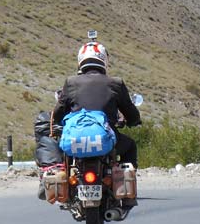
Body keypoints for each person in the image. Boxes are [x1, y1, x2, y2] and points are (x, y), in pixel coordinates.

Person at [52, 40, 142, 168]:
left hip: (75, 141)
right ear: (104, 59)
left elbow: (58, 115)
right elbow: (131, 114)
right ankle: (123, 183)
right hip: (107, 139)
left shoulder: (71, 82)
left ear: (80, 60)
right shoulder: (116, 83)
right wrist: (133, 121)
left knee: (62, 159)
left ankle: (67, 182)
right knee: (130, 146)